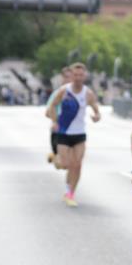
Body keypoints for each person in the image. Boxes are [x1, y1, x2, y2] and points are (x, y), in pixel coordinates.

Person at [46, 62, 101, 207]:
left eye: (81, 75)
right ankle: (56, 157)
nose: (78, 77)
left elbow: (96, 109)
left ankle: (70, 193)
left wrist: (96, 116)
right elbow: (52, 106)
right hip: (64, 133)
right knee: (65, 164)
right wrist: (54, 121)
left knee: (77, 165)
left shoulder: (88, 93)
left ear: (85, 76)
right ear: (72, 75)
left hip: (79, 134)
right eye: (75, 75)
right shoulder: (64, 91)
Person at [45, 67, 72, 168]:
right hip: (58, 131)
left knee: (73, 163)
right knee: (61, 164)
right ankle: (55, 156)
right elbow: (47, 112)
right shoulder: (57, 93)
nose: (69, 80)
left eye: (71, 77)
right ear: (62, 78)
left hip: (73, 131)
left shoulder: (79, 93)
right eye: (66, 77)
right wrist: (55, 121)